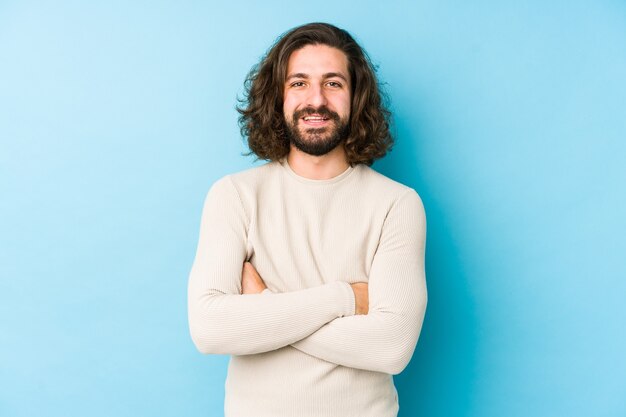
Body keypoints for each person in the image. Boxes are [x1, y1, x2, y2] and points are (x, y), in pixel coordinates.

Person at [188, 22, 427, 417]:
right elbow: (209, 328)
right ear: (278, 97)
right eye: (298, 83)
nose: (316, 100)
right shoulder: (235, 196)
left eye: (333, 83)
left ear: (356, 97)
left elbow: (391, 348)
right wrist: (346, 298)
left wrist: (263, 308)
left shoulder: (396, 204)